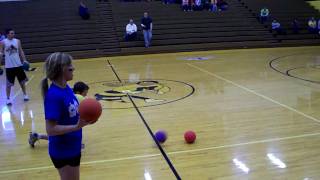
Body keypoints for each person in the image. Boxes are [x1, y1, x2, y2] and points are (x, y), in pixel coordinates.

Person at [40, 52, 91, 180]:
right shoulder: (54, 95)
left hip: (73, 146)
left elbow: (71, 114)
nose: (73, 68)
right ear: (61, 69)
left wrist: (87, 118)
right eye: (70, 66)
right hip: (64, 151)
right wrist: (76, 126)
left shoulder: (66, 87)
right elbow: (50, 129)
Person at [29, 81, 90, 148]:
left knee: (60, 134)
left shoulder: (68, 94)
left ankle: (38, 136)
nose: (85, 96)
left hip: (59, 117)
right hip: (64, 120)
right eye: (85, 94)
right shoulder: (78, 98)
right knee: (62, 135)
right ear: (79, 92)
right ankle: (74, 143)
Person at [0, 29, 29, 105]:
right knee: (9, 84)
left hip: (18, 65)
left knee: (22, 82)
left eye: (13, 33)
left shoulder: (17, 41)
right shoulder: (3, 42)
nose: (13, 34)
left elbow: (21, 51)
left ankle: (25, 95)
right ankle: (8, 99)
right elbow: (1, 54)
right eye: (11, 33)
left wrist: (24, 60)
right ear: (7, 34)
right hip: (9, 67)